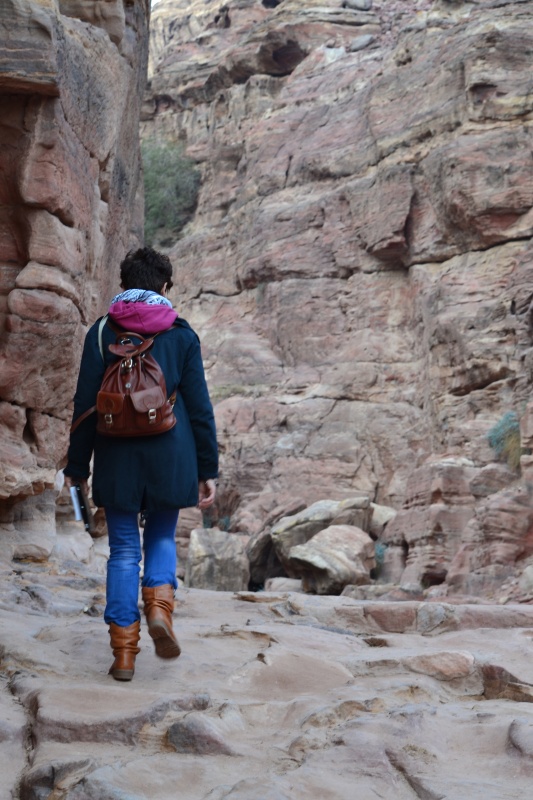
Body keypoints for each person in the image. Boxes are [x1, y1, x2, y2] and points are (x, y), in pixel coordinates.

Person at [64, 247, 218, 681]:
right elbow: (200, 409)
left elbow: (85, 406)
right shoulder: (181, 335)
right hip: (172, 453)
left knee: (123, 550)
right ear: (165, 286)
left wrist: (77, 467)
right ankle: (159, 610)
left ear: (123, 284)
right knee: (162, 536)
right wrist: (208, 470)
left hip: (116, 455)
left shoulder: (101, 332)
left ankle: (123, 654)